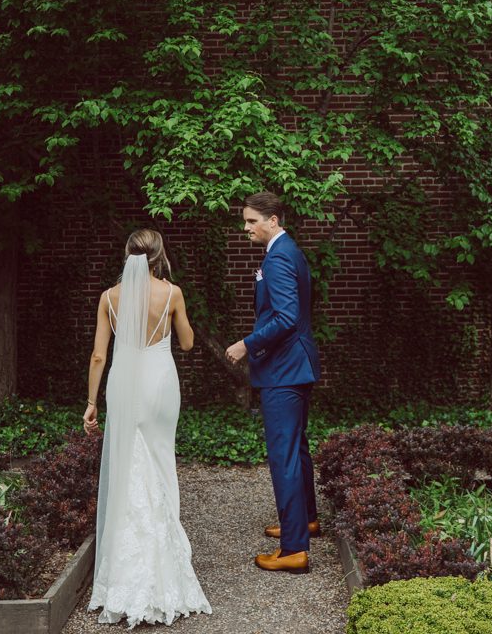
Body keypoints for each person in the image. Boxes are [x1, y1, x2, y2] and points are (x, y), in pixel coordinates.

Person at [83, 229, 212, 627]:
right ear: (159, 256)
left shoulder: (109, 298)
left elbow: (99, 355)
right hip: (159, 382)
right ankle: (163, 559)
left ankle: (125, 567)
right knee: (159, 462)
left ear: (128, 255)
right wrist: (174, 322)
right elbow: (188, 343)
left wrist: (91, 404)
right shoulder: (171, 294)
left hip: (123, 384)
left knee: (127, 466)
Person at [225, 192, 320, 575]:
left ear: (273, 220)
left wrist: (245, 344)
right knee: (296, 448)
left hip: (284, 370)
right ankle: (306, 520)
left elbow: (285, 317)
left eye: (251, 221)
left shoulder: (279, 257)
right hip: (296, 365)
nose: (245, 227)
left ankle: (294, 549)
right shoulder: (289, 250)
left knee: (283, 455)